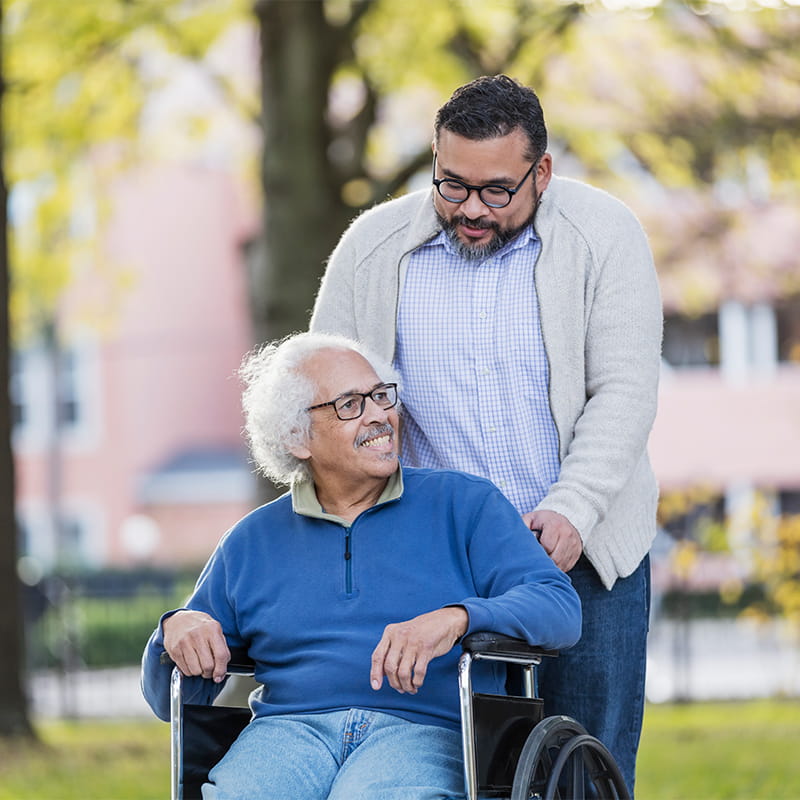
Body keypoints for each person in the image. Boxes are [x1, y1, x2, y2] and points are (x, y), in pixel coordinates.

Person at [310, 74, 663, 794]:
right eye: (452, 185)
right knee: (447, 774)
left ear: (542, 173)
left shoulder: (605, 235)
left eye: (496, 190)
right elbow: (322, 397)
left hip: (584, 557)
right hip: (431, 569)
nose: (471, 208)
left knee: (584, 774)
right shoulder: (372, 250)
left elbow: (625, 390)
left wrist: (575, 505)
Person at [141, 331, 581, 800]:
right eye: (350, 404)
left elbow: (559, 606)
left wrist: (458, 618)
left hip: (424, 731)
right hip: (288, 734)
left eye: (380, 396)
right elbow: (171, 698)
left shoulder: (465, 504)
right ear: (297, 437)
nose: (378, 415)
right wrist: (175, 629)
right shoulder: (251, 542)